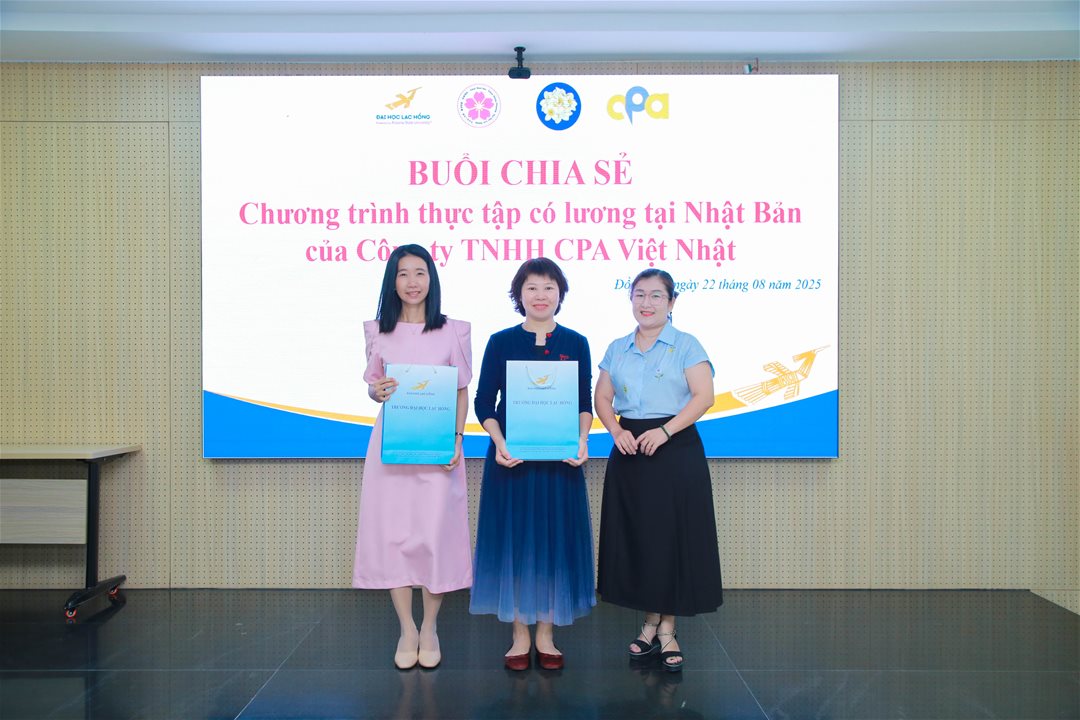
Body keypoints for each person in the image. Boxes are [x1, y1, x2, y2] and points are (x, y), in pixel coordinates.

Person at [594, 268, 723, 672]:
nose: (646, 303)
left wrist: (665, 431)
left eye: (655, 296)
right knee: (642, 539)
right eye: (639, 295)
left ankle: (665, 628)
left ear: (671, 302)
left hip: (675, 447)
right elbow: (602, 397)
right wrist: (616, 430)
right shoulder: (618, 347)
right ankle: (651, 622)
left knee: (671, 539)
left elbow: (704, 396)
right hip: (630, 449)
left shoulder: (686, 344)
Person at [470, 257, 595, 671]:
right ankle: (519, 634)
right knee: (516, 542)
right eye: (532, 288)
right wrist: (499, 441)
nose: (541, 296)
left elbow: (583, 402)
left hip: (560, 462)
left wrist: (582, 439)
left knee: (553, 542)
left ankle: (546, 633)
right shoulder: (500, 341)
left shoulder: (576, 342)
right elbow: (484, 402)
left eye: (549, 288)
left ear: (560, 294)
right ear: (518, 295)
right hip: (512, 459)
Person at [353, 244, 473, 670]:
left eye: (419, 272)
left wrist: (457, 438)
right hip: (391, 447)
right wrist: (376, 392)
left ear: (431, 278)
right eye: (403, 274)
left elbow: (461, 391)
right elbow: (375, 387)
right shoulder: (378, 331)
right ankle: (407, 627)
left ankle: (430, 627)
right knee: (394, 535)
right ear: (392, 281)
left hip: (438, 448)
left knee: (433, 534)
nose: (412, 282)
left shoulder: (452, 330)